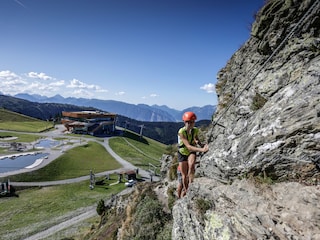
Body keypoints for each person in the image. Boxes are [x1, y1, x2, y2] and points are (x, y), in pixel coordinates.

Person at [178, 111, 209, 195]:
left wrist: (201, 144)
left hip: (191, 152)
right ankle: (186, 189)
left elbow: (196, 139)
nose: (190, 124)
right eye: (188, 122)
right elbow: (188, 146)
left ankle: (191, 184)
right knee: (184, 174)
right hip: (182, 153)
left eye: (192, 122)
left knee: (191, 166)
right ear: (184, 122)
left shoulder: (195, 130)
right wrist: (202, 150)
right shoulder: (181, 132)